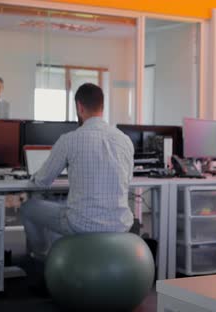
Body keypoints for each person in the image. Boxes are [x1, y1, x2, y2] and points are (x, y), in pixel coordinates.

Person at [20, 83, 134, 259]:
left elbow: (42, 182)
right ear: (102, 107)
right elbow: (127, 179)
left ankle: (42, 255)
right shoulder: (124, 140)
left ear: (79, 107)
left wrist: (32, 176)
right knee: (66, 205)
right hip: (119, 224)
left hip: (81, 224)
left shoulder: (70, 140)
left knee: (29, 208)